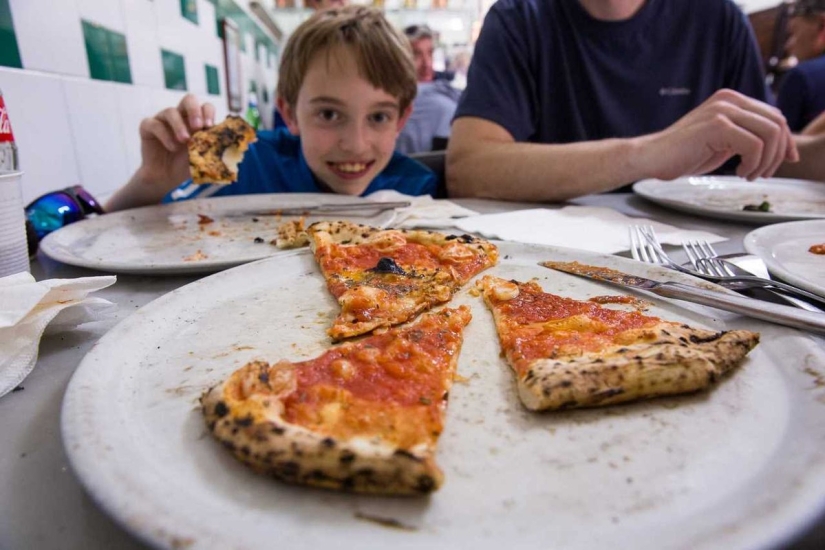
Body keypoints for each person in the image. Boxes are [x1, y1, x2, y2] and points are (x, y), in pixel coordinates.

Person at [447, 0, 825, 202]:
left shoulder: (718, 17)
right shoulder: (518, 18)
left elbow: (771, 153)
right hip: (554, 262)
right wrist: (650, 154)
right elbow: (470, 169)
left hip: (706, 261)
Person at [105, 6, 435, 212]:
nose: (356, 144)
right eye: (329, 114)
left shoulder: (417, 189)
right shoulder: (239, 152)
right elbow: (107, 238)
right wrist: (150, 183)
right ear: (289, 112)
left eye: (378, 117)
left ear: (401, 119)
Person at [396, 24, 460, 154]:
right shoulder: (401, 101)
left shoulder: (444, 90)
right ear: (400, 60)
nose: (427, 64)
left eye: (430, 53)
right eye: (416, 55)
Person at [776, 0, 825, 132]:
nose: (788, 46)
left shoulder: (800, 77)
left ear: (822, 25)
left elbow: (778, 148)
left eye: (792, 33)